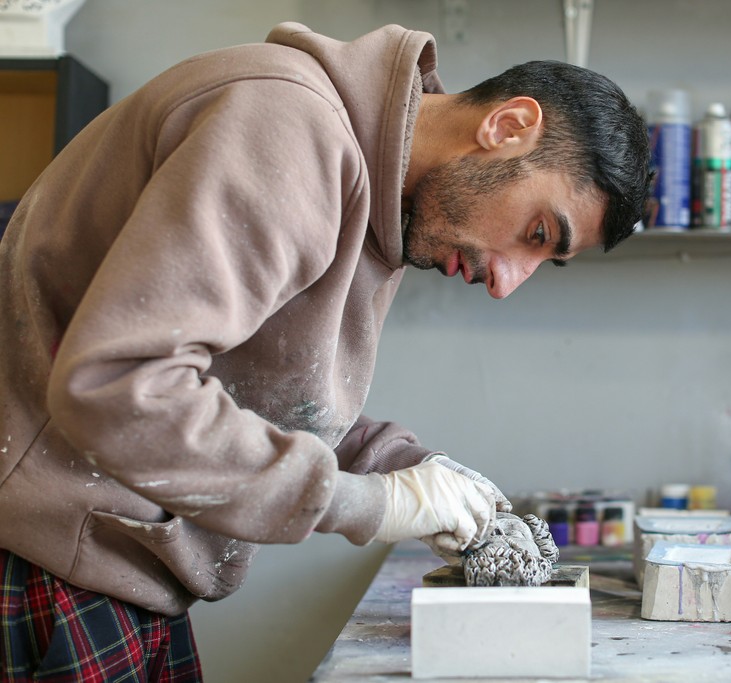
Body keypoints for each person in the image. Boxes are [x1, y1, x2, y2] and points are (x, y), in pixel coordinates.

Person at [0, 21, 650, 681]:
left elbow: (264, 393)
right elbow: (121, 386)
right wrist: (373, 504)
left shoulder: (381, 204)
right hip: (43, 559)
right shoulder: (285, 128)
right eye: (537, 231)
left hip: (115, 569)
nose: (508, 281)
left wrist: (411, 469)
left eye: (547, 259)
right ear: (509, 126)